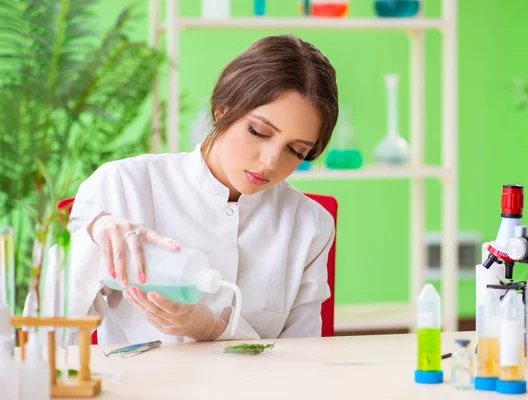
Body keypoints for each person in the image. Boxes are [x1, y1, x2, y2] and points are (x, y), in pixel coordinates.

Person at [68, 35, 339, 345]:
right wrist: (91, 240)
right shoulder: (124, 185)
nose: (270, 161)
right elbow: (48, 330)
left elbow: (304, 360)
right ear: (222, 108)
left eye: (296, 151)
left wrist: (213, 329)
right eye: (259, 132)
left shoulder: (309, 224)